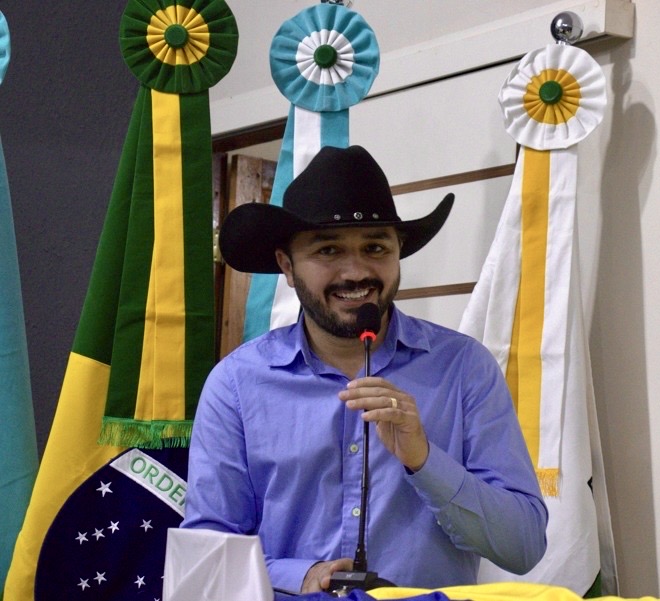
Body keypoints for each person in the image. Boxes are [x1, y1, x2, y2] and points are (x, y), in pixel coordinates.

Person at [181, 145, 548, 594]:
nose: (355, 272)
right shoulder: (236, 384)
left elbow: (524, 546)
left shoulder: (464, 369)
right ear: (286, 266)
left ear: (398, 254)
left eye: (375, 247)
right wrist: (300, 575)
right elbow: (209, 553)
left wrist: (425, 460)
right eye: (328, 250)